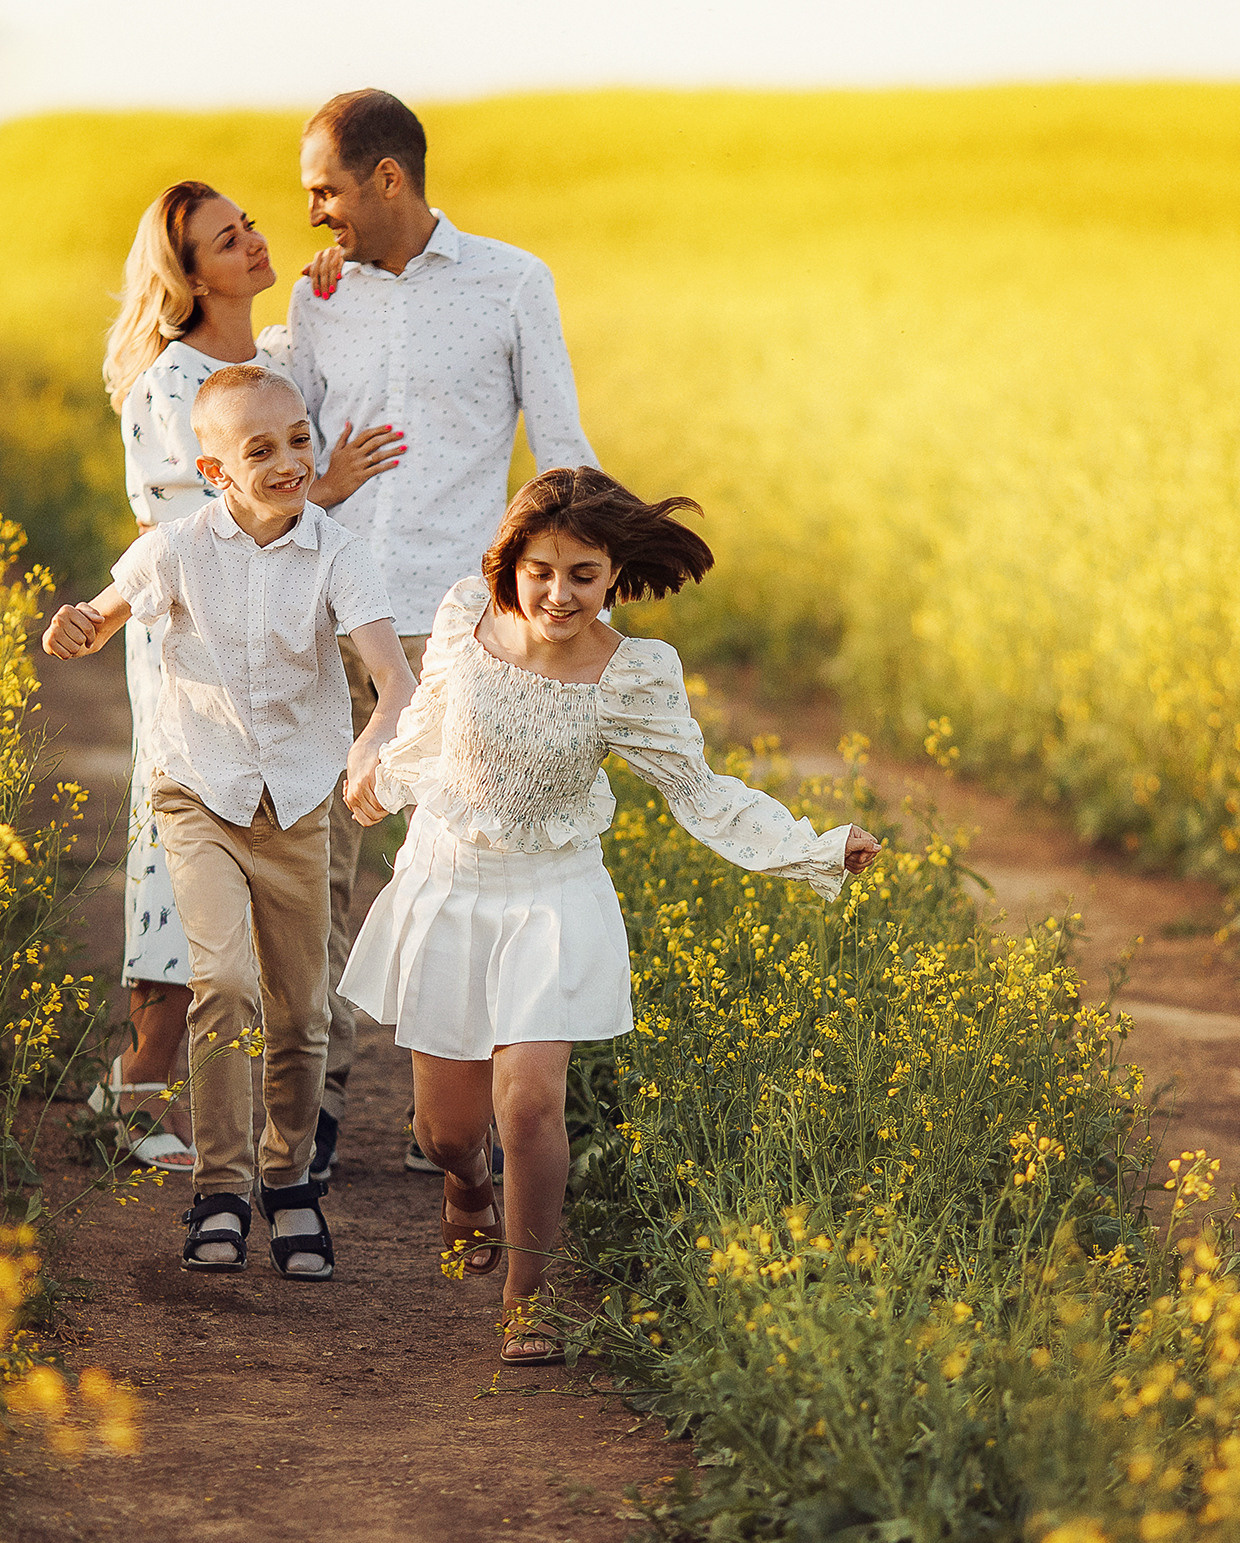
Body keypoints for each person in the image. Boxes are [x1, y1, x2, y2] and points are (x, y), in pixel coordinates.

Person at [339, 468, 881, 1361]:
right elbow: (432, 728)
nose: (559, 594)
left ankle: (528, 1299)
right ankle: (466, 1190)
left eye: (583, 575)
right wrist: (381, 776)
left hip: (552, 894)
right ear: (510, 563)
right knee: (446, 1131)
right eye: (542, 571)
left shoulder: (633, 674)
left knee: (530, 1106)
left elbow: (701, 794)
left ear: (613, 573)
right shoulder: (462, 620)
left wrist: (812, 846)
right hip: (451, 878)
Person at [288, 89, 602, 1174]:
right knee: (319, 875)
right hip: (329, 619)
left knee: (458, 879)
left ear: (388, 178)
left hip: (452, 633)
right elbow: (274, 447)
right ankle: (312, 1120)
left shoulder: (513, 282)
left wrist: (591, 600)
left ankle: (449, 1130)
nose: (314, 213)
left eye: (325, 189)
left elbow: (560, 443)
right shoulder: (316, 298)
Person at [47, 363, 417, 1279]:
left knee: (300, 1009)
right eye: (262, 449)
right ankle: (221, 1188)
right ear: (214, 472)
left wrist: (374, 740)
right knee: (222, 981)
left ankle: (287, 1179)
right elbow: (102, 613)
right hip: (199, 789)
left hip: (295, 798)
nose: (292, 460)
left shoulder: (338, 550)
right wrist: (79, 627)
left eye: (300, 439)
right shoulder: (176, 549)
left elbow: (394, 679)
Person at [97, 179, 403, 1176]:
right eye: (227, 242)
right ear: (188, 277)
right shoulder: (167, 384)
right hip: (196, 648)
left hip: (290, 648)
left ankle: (268, 1119)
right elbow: (187, 529)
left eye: (250, 227)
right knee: (178, 854)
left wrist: (328, 290)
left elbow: (308, 403)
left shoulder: (271, 359)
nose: (254, 243)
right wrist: (331, 485)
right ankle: (134, 1086)